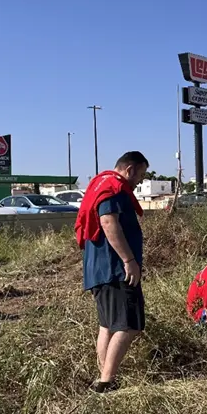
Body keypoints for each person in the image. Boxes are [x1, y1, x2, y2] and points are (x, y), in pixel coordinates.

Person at [76, 151, 149, 393]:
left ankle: (103, 376)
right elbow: (108, 221)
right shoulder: (114, 187)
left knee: (107, 325)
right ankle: (106, 382)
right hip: (116, 269)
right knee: (129, 325)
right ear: (129, 169)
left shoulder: (98, 183)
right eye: (140, 174)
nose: (140, 181)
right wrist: (129, 260)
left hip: (99, 269)